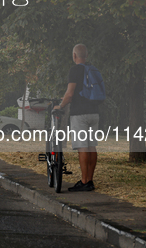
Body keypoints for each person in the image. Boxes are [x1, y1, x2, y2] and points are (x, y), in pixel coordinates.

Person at [54, 44, 100, 192]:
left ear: (74, 56)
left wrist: (60, 106)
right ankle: (90, 180)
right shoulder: (93, 70)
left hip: (80, 115)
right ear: (86, 56)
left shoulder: (74, 70)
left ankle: (84, 181)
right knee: (92, 146)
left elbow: (70, 94)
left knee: (82, 147)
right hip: (94, 113)